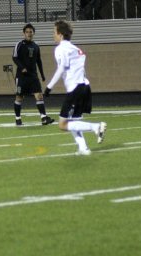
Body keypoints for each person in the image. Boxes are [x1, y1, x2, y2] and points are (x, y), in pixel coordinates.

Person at [43, 20, 106, 156]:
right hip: (85, 86)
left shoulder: (60, 48)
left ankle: (96, 127)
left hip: (75, 89)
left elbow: (62, 67)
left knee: (62, 124)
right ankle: (83, 148)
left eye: (54, 32)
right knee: (74, 121)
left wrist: (49, 87)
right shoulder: (76, 49)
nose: (53, 35)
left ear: (60, 34)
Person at [12, 23, 55, 127]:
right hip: (21, 77)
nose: (29, 34)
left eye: (31, 32)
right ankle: (18, 119)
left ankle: (44, 118)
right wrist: (22, 67)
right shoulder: (19, 44)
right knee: (19, 98)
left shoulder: (36, 46)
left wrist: (42, 74)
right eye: (27, 32)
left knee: (39, 96)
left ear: (33, 33)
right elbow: (14, 57)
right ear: (24, 33)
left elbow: (38, 61)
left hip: (33, 76)